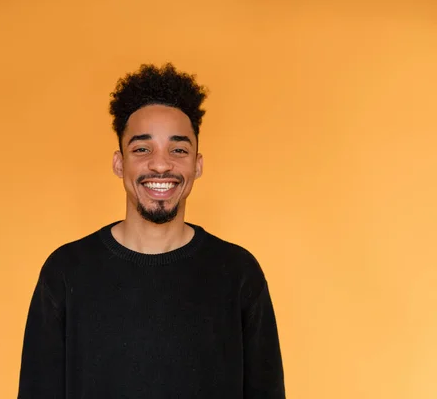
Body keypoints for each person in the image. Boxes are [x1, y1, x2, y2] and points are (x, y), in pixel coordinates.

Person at [17, 63, 285, 398]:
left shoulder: (238, 272)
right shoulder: (67, 271)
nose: (160, 164)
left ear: (197, 164)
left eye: (178, 149)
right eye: (142, 149)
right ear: (119, 163)